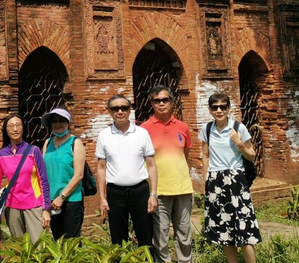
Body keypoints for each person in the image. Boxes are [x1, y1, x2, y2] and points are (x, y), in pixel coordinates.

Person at [200, 93, 261, 263]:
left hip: (235, 179)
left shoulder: (238, 128)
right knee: (224, 227)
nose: (219, 110)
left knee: (244, 226)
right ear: (210, 109)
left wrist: (239, 143)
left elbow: (252, 156)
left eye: (223, 107)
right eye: (215, 107)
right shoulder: (207, 129)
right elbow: (205, 156)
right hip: (215, 180)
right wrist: (206, 180)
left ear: (228, 108)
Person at [95, 93, 158, 248]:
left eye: (124, 108)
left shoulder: (142, 133)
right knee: (118, 238)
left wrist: (153, 194)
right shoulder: (104, 135)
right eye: (115, 108)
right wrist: (102, 198)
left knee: (145, 235)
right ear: (109, 111)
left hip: (140, 190)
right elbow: (101, 168)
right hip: (115, 192)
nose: (120, 112)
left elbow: (151, 165)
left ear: (130, 110)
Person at [141, 85, 193, 263]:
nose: (161, 103)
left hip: (183, 188)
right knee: (161, 237)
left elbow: (185, 155)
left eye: (165, 100)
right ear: (152, 103)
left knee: (184, 234)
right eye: (157, 100)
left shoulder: (182, 127)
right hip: (159, 191)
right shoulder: (144, 129)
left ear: (172, 102)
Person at [0, 115, 51, 242]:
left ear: (23, 128)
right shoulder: (1, 155)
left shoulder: (34, 151)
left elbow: (43, 180)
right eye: (11, 126)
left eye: (18, 125)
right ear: (6, 130)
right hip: (12, 207)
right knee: (18, 248)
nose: (15, 129)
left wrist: (46, 209)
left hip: (34, 205)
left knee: (38, 246)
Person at [40, 107, 85, 240]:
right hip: (52, 200)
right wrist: (46, 201)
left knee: (72, 241)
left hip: (71, 200)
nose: (58, 124)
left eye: (62, 120)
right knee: (58, 239)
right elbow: (43, 173)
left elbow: (79, 175)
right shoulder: (48, 143)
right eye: (54, 121)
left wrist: (62, 197)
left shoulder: (75, 142)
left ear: (68, 123)